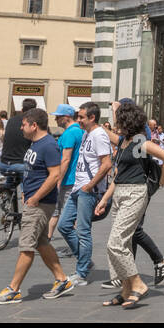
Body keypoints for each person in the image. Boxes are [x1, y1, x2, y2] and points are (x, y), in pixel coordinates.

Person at [0, 108, 74, 304]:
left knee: (26, 246)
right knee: (42, 243)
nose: (21, 127)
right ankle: (62, 280)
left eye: (24, 124)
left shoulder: (48, 145)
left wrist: (35, 198)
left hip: (40, 203)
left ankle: (13, 289)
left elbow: (55, 175)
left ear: (34, 125)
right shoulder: (35, 144)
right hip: (35, 200)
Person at [97, 102, 164, 309]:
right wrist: (104, 199)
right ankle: (125, 288)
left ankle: (138, 284)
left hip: (135, 193)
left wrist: (161, 182)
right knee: (123, 245)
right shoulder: (123, 142)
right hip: (120, 192)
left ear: (126, 121)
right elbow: (119, 174)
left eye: (119, 119)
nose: (115, 123)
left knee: (116, 243)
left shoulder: (140, 142)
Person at [57, 102, 112, 287]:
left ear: (92, 117)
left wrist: (89, 186)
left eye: (81, 117)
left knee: (83, 231)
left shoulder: (99, 135)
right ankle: (84, 261)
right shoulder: (86, 134)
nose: (78, 120)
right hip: (77, 189)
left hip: (88, 191)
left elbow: (106, 164)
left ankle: (81, 273)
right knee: (64, 225)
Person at [49, 104, 82, 240]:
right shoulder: (80, 131)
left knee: (66, 215)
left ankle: (77, 245)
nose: (56, 119)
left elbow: (66, 159)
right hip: (73, 178)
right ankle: (47, 239)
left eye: (58, 117)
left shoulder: (70, 133)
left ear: (67, 117)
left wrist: (58, 180)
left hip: (68, 180)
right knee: (58, 212)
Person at [0, 99, 34, 181]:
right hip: (20, 165)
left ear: (21, 110)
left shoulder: (11, 120)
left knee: (10, 185)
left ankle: (6, 191)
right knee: (27, 187)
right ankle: (23, 193)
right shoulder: (33, 122)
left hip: (3, 164)